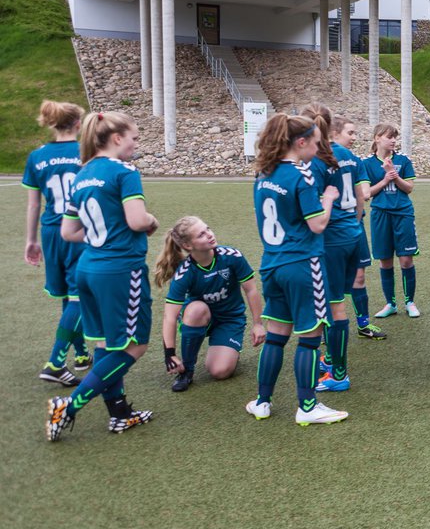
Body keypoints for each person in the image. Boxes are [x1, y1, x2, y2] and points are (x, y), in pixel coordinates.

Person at [46, 111, 159, 441]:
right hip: (120, 270)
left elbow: (68, 232)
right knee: (135, 345)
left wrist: (102, 237)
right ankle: (68, 406)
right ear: (117, 138)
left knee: (107, 344)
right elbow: (138, 221)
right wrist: (151, 221)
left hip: (88, 268)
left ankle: (120, 414)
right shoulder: (124, 171)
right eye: (134, 138)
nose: (136, 144)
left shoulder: (80, 175)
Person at [245, 113, 346, 425]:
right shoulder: (302, 176)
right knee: (311, 336)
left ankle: (262, 401)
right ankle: (307, 405)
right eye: (315, 143)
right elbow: (317, 224)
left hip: (272, 265)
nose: (318, 149)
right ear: (300, 143)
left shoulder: (263, 175)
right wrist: (328, 197)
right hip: (303, 263)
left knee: (276, 336)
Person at [154, 217, 265, 391]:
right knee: (197, 309)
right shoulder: (185, 272)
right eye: (201, 234)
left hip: (230, 319)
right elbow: (170, 316)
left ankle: (227, 348)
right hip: (200, 316)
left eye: (208, 229)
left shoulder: (232, 256)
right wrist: (170, 354)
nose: (209, 235)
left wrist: (258, 324)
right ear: (189, 245)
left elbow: (251, 290)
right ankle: (187, 370)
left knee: (220, 371)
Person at [23, 100, 90, 386]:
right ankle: (55, 362)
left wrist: (30, 240)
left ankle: (82, 353)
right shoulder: (85, 153)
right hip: (78, 230)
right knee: (79, 295)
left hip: (51, 231)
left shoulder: (36, 157)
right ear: (78, 124)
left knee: (67, 294)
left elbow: (33, 205)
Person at [301, 104, 365, 392]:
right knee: (333, 301)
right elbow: (361, 197)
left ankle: (339, 374)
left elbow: (313, 206)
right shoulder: (347, 155)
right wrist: (356, 223)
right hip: (352, 231)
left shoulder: (314, 159)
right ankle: (332, 360)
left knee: (333, 303)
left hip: (332, 237)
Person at [331, 115, 384, 339]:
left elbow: (364, 193)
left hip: (351, 227)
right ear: (333, 134)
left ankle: (362, 324)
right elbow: (364, 192)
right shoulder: (324, 158)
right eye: (350, 133)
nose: (354, 137)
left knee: (357, 276)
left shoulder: (354, 160)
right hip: (335, 229)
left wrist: (355, 219)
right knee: (336, 280)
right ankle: (330, 327)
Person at [363, 123, 419, 319]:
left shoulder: (403, 160)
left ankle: (409, 302)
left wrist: (395, 177)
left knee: (405, 260)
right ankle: (390, 304)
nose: (394, 140)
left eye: (395, 137)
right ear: (377, 138)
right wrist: (385, 180)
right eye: (389, 136)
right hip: (380, 214)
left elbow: (409, 188)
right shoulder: (367, 164)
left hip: (403, 213)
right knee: (385, 261)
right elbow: (366, 193)